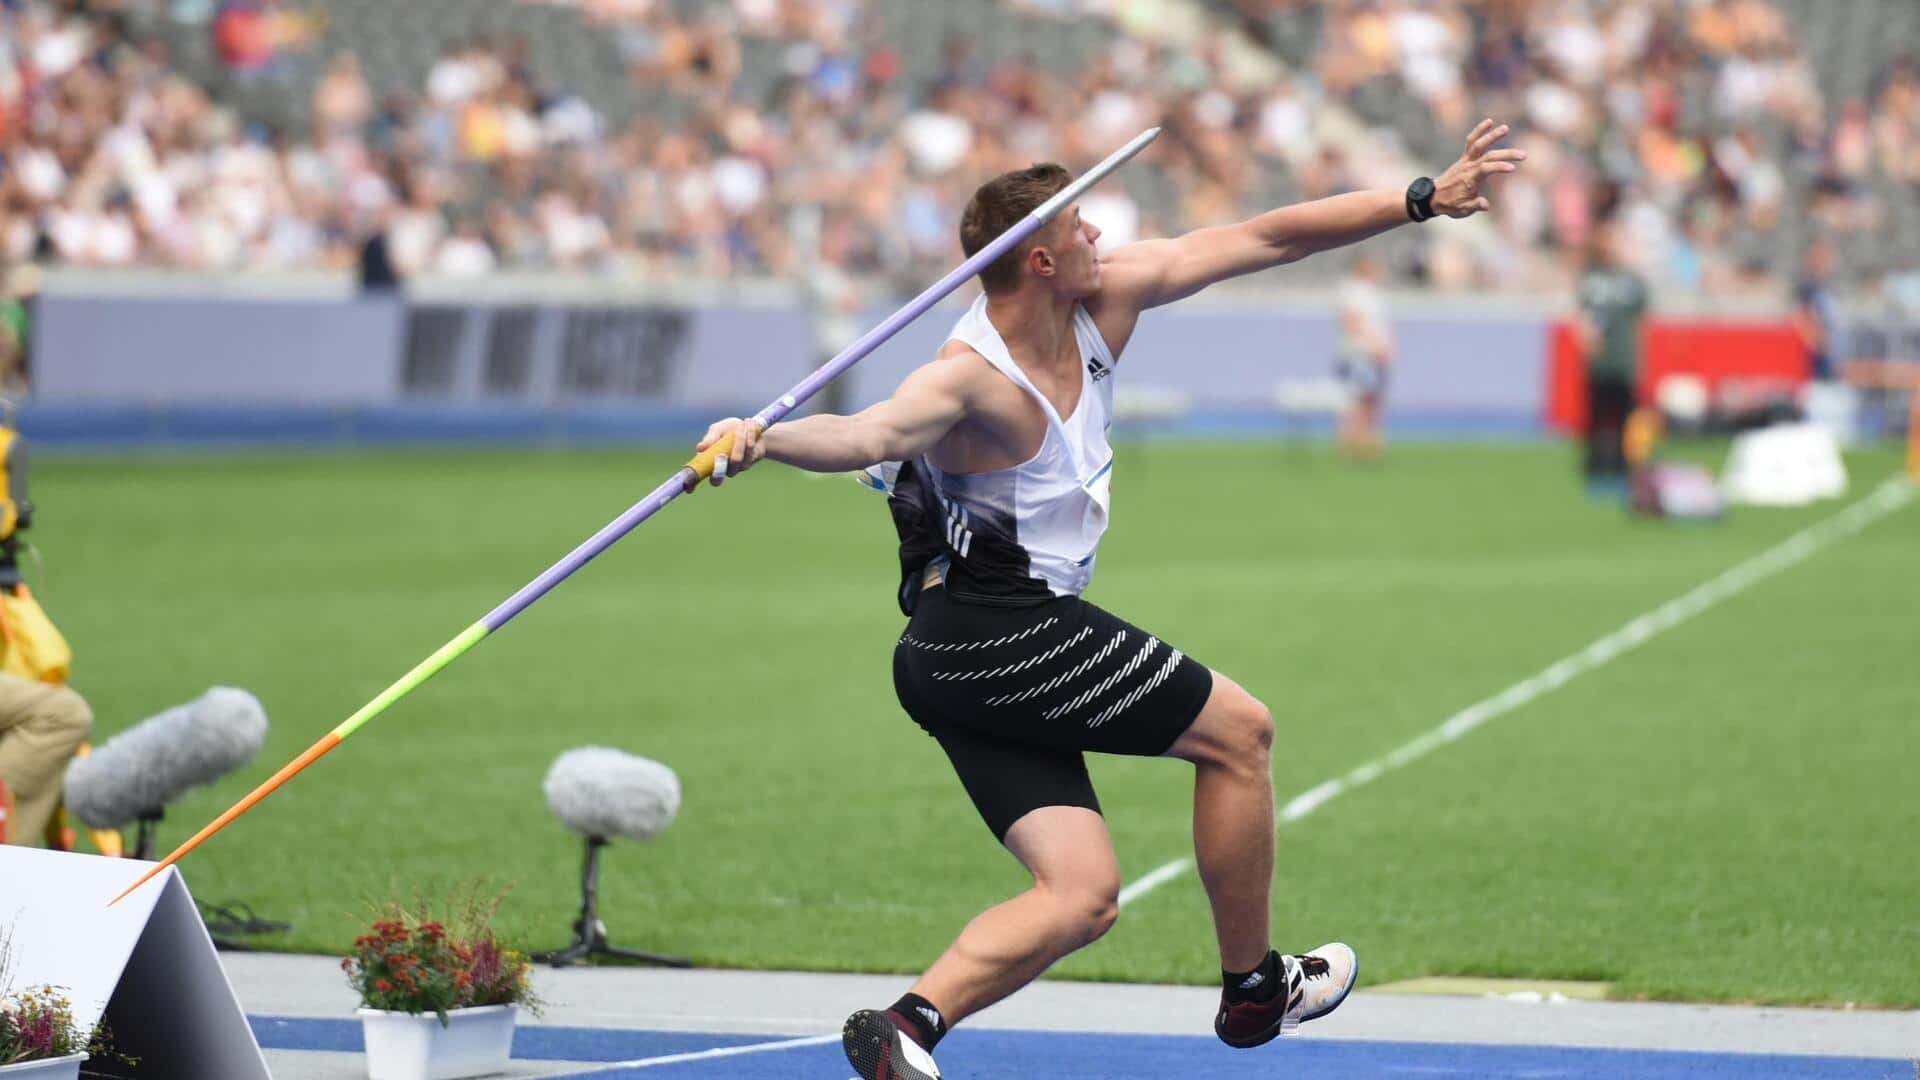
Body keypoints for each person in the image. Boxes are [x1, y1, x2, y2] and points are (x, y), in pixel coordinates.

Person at [698, 119, 1525, 1080]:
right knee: (1240, 732)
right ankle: (1255, 988)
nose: (1105, 238)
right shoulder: (971, 380)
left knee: (1082, 895)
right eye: (1085, 228)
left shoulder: (1105, 301)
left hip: (961, 654)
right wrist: (761, 436)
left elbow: (1268, 237)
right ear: (1041, 260)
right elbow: (872, 432)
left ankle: (906, 1028)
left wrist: (1421, 198)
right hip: (994, 633)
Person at [1574, 222, 1648, 493]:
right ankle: (1596, 468)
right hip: (1599, 361)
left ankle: (1622, 468)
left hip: (1623, 360)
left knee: (1625, 419)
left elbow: (1640, 321)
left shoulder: (1631, 280)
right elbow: (1582, 316)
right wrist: (1586, 340)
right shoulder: (1592, 278)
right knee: (1597, 417)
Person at [1334, 251, 1394, 460]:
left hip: (1372, 356)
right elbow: (1351, 323)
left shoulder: (1371, 293)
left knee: (1370, 403)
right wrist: (1375, 344)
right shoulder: (1354, 292)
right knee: (1357, 402)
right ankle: (1353, 447)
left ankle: (1367, 445)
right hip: (1359, 355)